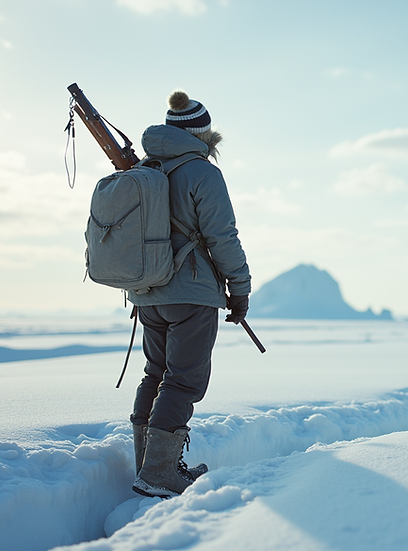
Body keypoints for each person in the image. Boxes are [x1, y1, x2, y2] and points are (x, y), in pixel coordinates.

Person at [129, 91, 251, 498]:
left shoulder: (144, 167)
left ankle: (148, 464)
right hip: (191, 293)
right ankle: (160, 473)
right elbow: (223, 236)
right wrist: (240, 288)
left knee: (156, 374)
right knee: (183, 381)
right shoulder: (202, 173)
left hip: (147, 291)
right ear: (204, 135)